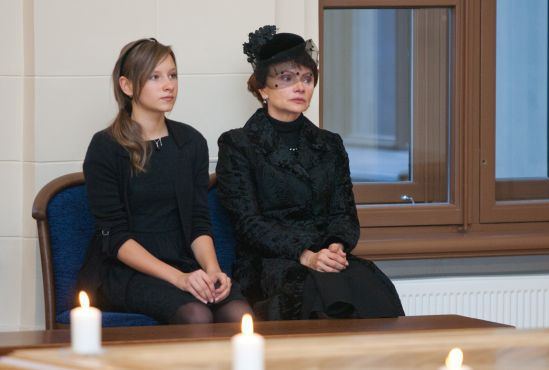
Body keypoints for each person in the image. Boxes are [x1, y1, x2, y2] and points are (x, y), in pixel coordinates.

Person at [216, 26, 405, 320]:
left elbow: (344, 213)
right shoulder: (238, 144)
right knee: (316, 292)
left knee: (368, 285)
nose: (300, 87)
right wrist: (306, 255)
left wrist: (335, 247)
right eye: (287, 79)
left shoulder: (329, 144)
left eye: (307, 78)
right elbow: (248, 224)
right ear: (263, 89)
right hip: (269, 262)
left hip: (326, 256)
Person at [77, 38, 251, 324]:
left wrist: (212, 270)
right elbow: (115, 238)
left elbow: (198, 221)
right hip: (126, 271)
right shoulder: (106, 147)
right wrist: (179, 279)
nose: (169, 85)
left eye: (172, 75)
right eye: (155, 77)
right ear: (127, 86)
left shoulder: (191, 142)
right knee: (195, 314)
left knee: (237, 313)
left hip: (184, 261)